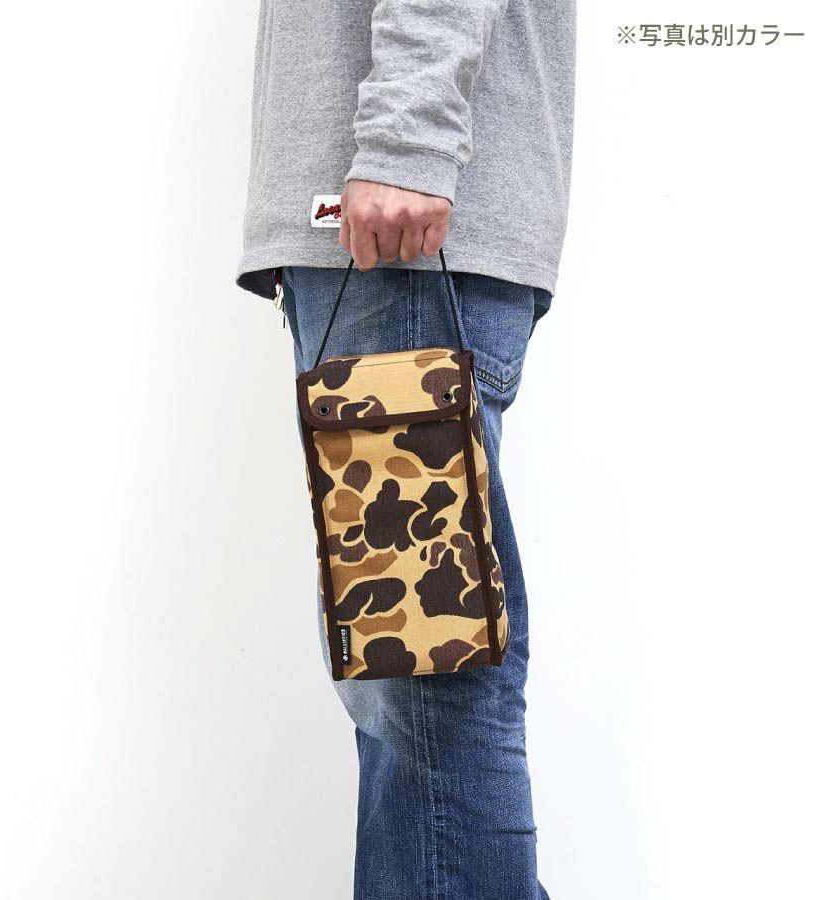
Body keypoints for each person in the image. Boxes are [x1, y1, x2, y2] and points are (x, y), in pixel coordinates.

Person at [237, 1, 575, 897]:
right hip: (384, 244)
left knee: (426, 674)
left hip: (399, 241)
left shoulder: (406, 172)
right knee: (415, 679)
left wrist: (407, 143)